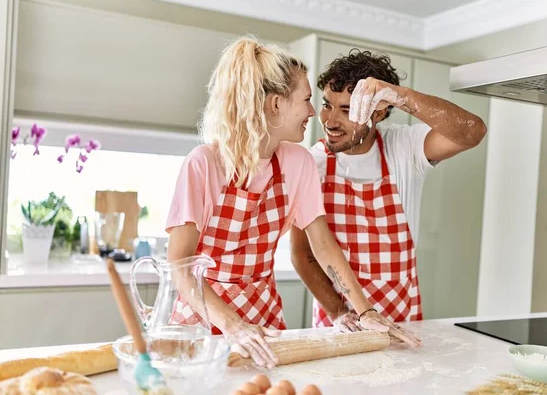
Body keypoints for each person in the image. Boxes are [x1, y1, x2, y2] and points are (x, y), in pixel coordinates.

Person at [165, 39, 422, 369]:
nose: (314, 113)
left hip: (265, 318)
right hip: (204, 321)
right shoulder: (205, 163)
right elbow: (180, 264)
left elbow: (323, 245)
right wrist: (232, 326)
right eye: (306, 100)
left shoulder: (297, 162)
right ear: (276, 104)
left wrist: (364, 311)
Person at [291, 49, 487, 331]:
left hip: (401, 317)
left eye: (346, 110)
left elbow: (473, 132)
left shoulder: (404, 148)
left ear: (379, 111)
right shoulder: (312, 163)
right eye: (327, 105)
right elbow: (303, 254)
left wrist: (402, 96)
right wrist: (340, 313)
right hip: (343, 322)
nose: (330, 121)